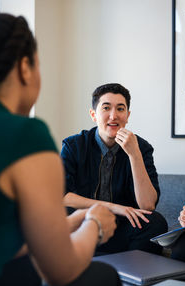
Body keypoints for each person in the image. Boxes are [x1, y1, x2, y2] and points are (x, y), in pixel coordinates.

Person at [0, 13, 123, 286]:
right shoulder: (25, 134)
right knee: (105, 274)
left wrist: (76, 220)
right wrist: (95, 224)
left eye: (121, 108)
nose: (113, 115)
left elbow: (5, 241)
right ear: (25, 67)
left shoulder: (137, 146)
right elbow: (59, 271)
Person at [61, 83, 168, 256]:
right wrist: (113, 207)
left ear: (127, 116)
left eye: (120, 109)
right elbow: (63, 196)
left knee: (155, 222)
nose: (113, 116)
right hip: (84, 224)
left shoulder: (142, 148)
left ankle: (129, 273)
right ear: (93, 115)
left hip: (120, 230)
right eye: (106, 108)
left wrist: (134, 155)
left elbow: (147, 205)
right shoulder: (74, 145)